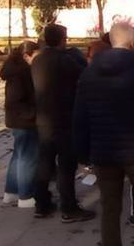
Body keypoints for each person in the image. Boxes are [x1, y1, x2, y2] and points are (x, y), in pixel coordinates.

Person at [73, 23, 134, 246]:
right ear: (133, 41)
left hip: (103, 151)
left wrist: (82, 154)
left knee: (110, 206)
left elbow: (79, 117)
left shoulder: (89, 73)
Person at [31, 24, 94, 222]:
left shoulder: (38, 59)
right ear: (61, 39)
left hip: (43, 120)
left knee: (44, 163)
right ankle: (69, 207)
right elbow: (85, 76)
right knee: (66, 166)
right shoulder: (64, 60)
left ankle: (41, 204)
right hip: (63, 119)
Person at [0, 40, 40, 209]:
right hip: (24, 121)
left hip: (18, 120)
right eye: (36, 57)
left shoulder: (16, 71)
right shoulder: (20, 73)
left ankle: (11, 192)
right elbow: (15, 101)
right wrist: (33, 115)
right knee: (28, 158)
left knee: (18, 156)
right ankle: (26, 195)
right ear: (26, 55)